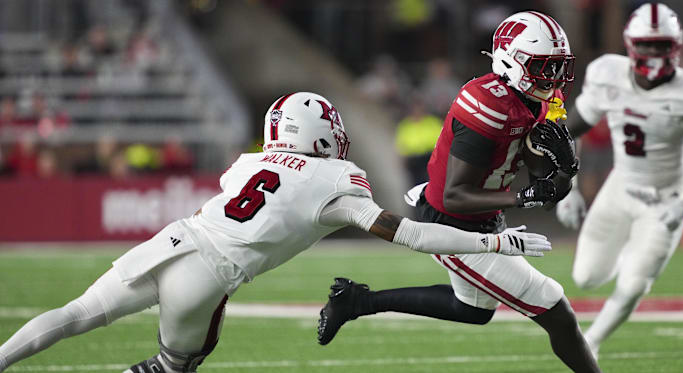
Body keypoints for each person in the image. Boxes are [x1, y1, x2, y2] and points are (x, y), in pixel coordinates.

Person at [0, 92, 552, 373]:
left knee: (75, 314)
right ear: (318, 134)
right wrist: (494, 241)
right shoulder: (338, 180)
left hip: (173, 240)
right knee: (174, 367)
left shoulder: (246, 163)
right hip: (209, 273)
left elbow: (262, 187)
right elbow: (411, 236)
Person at [318, 11, 602, 373]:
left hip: (484, 217)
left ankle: (355, 301)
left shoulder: (543, 99)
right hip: (450, 224)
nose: (553, 77)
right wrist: (524, 197)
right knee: (556, 309)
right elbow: (456, 195)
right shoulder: (487, 102)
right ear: (510, 60)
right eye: (543, 65)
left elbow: (548, 194)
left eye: (558, 66)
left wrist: (565, 169)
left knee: (472, 310)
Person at [554, 3, 683, 357]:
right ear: (630, 44)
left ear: (676, 45)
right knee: (586, 277)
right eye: (647, 44)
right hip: (620, 187)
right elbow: (570, 131)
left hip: (666, 200)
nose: (655, 53)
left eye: (662, 45)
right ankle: (632, 247)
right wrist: (567, 187)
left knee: (633, 283)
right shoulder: (607, 75)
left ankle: (590, 343)